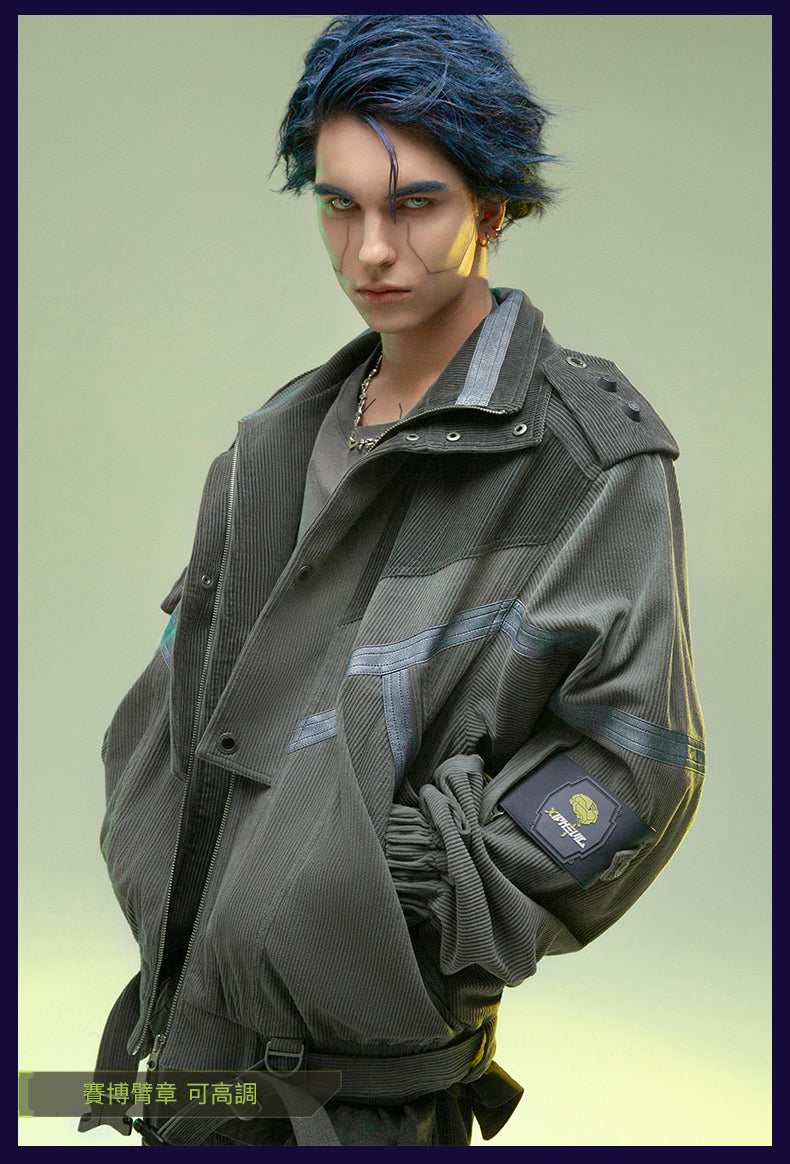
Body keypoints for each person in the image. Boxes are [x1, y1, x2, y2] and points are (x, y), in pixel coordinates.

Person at [79, 14, 705, 1147]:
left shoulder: (583, 460)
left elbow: (633, 764)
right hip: (191, 1058)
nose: (370, 250)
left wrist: (398, 883)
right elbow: (183, 693)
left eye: (414, 204)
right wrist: (145, 825)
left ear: (492, 206)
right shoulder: (277, 438)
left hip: (367, 1094)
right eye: (339, 205)